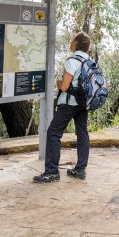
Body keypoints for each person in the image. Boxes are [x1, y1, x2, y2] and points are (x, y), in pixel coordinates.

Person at [33, 32, 92, 183]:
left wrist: (58, 83)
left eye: (72, 39)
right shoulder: (89, 60)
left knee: (53, 133)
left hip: (69, 103)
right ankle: (80, 170)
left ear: (77, 43)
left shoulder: (73, 60)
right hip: (83, 103)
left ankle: (52, 172)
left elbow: (65, 86)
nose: (70, 42)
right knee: (82, 133)